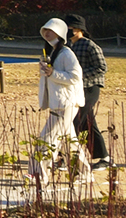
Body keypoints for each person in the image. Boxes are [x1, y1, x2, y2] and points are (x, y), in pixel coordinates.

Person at [33, 16, 90, 190]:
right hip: (58, 103)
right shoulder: (50, 52)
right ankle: (84, 173)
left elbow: (75, 77)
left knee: (47, 139)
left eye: (51, 30)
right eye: (45, 30)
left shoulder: (66, 53)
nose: (47, 33)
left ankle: (39, 176)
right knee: (69, 142)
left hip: (66, 104)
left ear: (60, 33)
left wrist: (53, 73)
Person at [63, 12, 110, 167]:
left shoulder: (90, 45)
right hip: (75, 89)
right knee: (87, 123)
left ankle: (67, 156)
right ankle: (104, 158)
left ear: (79, 29)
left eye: (71, 28)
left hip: (90, 88)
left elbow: (101, 67)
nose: (68, 31)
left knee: (76, 120)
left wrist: (79, 76)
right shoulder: (68, 46)